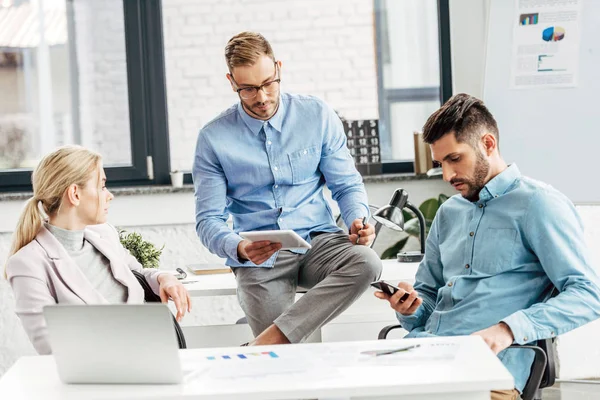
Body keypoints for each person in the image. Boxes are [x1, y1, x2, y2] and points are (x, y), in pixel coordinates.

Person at [374, 94, 600, 400]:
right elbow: (428, 294)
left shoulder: (539, 205)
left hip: (490, 372)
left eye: (455, 159)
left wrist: (507, 329)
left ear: (488, 144)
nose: (447, 175)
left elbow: (588, 295)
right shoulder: (449, 212)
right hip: (427, 355)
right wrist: (410, 308)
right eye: (440, 164)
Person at [193, 31, 382, 346]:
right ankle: (272, 347)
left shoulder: (316, 115)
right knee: (290, 356)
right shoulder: (213, 139)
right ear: (231, 82)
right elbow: (208, 221)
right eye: (249, 89)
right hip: (260, 258)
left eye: (269, 83)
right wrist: (238, 248)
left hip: (319, 243)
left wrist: (357, 219)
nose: (263, 97)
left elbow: (346, 184)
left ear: (278, 68)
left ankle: (262, 346)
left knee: (368, 262)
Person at [5, 145, 191, 355]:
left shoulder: (104, 235)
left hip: (155, 356)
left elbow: (138, 273)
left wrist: (163, 278)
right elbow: (50, 346)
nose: (109, 195)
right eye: (102, 186)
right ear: (75, 193)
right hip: (100, 378)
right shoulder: (27, 263)